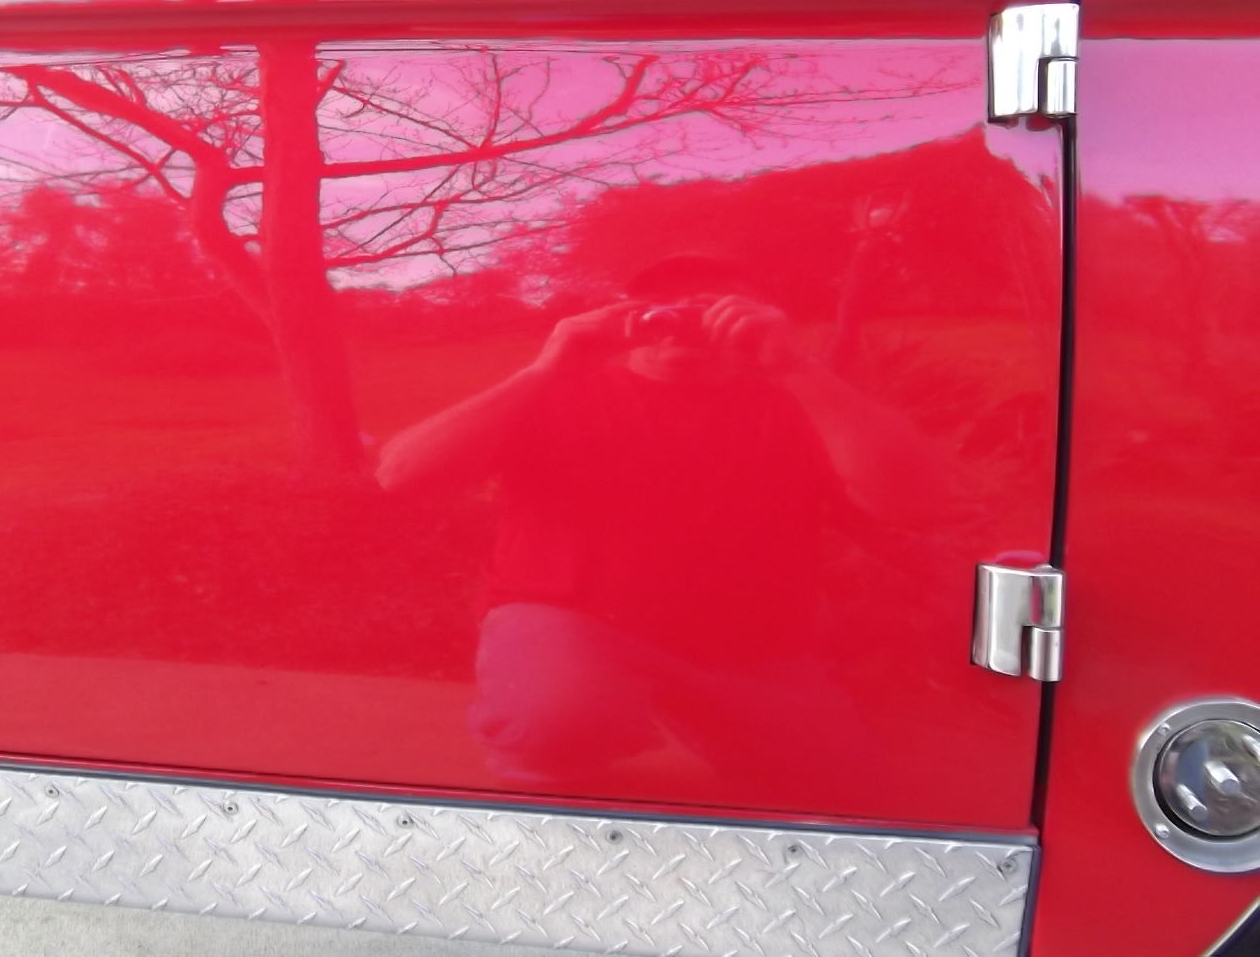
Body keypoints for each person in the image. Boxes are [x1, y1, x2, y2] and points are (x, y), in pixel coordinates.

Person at [378, 254, 957, 791]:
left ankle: (689, 715)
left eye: (713, 306)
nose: (685, 320)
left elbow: (919, 503)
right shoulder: (559, 392)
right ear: (625, 317)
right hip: (575, 620)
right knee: (557, 717)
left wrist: (797, 366)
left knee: (839, 781)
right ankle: (556, 751)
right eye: (664, 305)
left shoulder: (794, 403)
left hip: (748, 647)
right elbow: (400, 475)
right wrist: (544, 368)